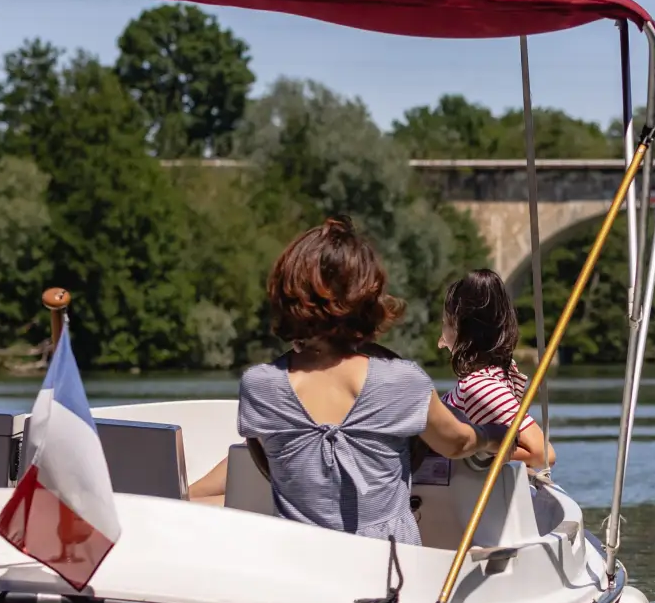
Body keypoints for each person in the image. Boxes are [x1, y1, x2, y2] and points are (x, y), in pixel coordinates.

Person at [194, 220, 483, 540]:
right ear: (368, 298)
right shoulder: (401, 382)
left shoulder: (260, 386)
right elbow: (458, 443)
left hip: (299, 571)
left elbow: (267, 463)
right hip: (388, 573)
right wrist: (494, 435)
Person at [438, 269, 554, 472]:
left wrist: (473, 450)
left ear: (460, 330)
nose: (441, 339)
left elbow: (543, 454)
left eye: (445, 324)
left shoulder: (480, 386)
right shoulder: (495, 375)